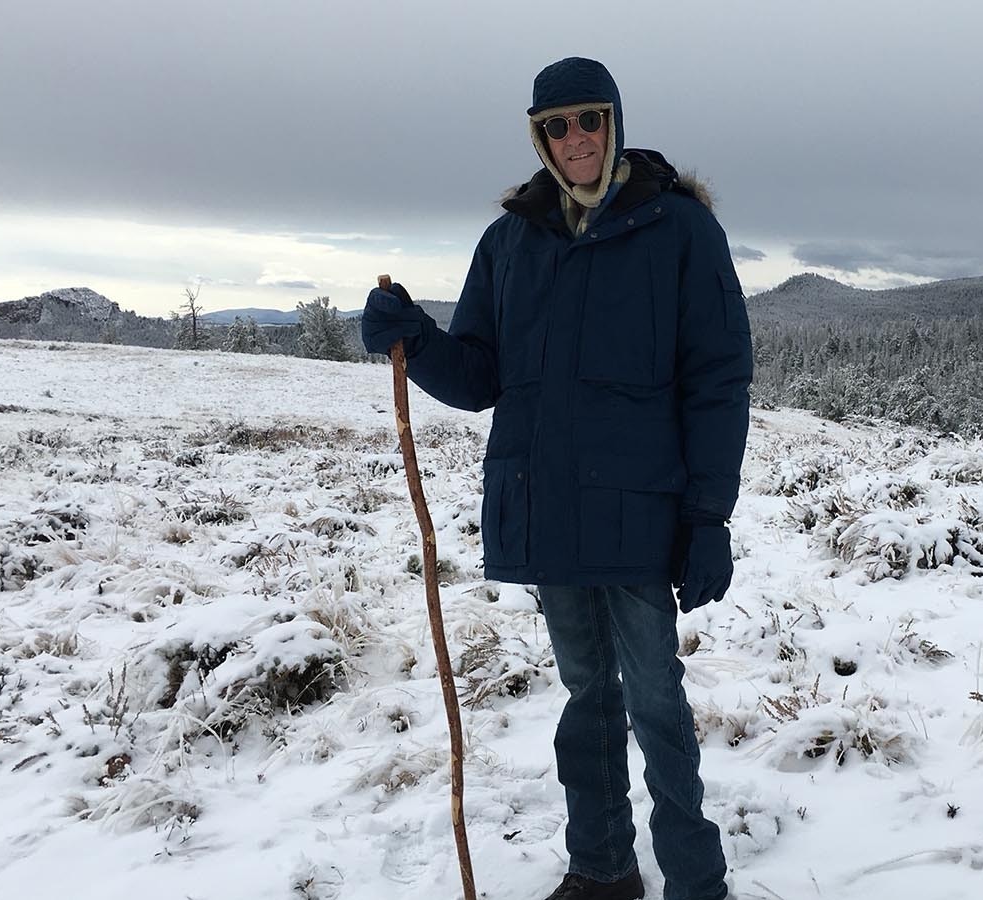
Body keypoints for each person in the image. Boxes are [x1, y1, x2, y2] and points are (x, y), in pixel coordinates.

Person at [360, 56, 751, 900]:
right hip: (548, 512)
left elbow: (718, 378)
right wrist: (414, 341)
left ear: (614, 121)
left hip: (639, 510)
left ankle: (694, 880)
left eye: (589, 120)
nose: (576, 138)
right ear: (539, 136)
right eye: (557, 125)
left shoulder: (679, 229)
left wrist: (708, 516)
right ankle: (602, 868)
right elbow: (478, 377)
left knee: (655, 703)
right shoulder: (510, 241)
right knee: (585, 701)